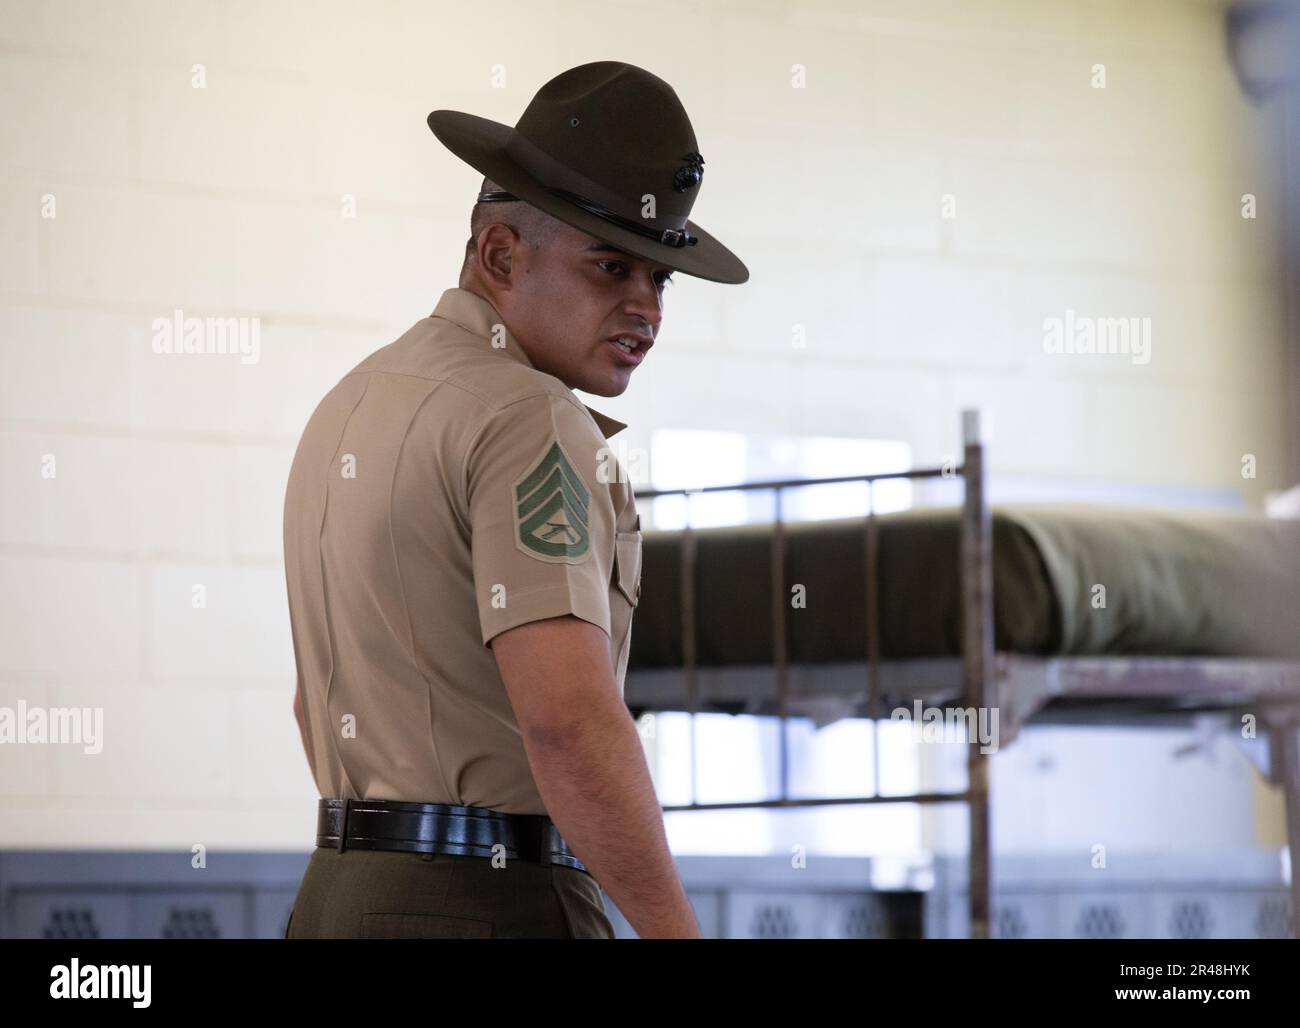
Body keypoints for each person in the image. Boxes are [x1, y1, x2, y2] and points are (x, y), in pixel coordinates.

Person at [283, 60, 748, 940]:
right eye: (613, 266)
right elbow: (568, 722)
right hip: (492, 905)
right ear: (500, 255)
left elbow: (314, 705)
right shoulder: (529, 418)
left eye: (662, 279)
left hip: (334, 898)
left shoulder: (346, 405)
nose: (646, 307)